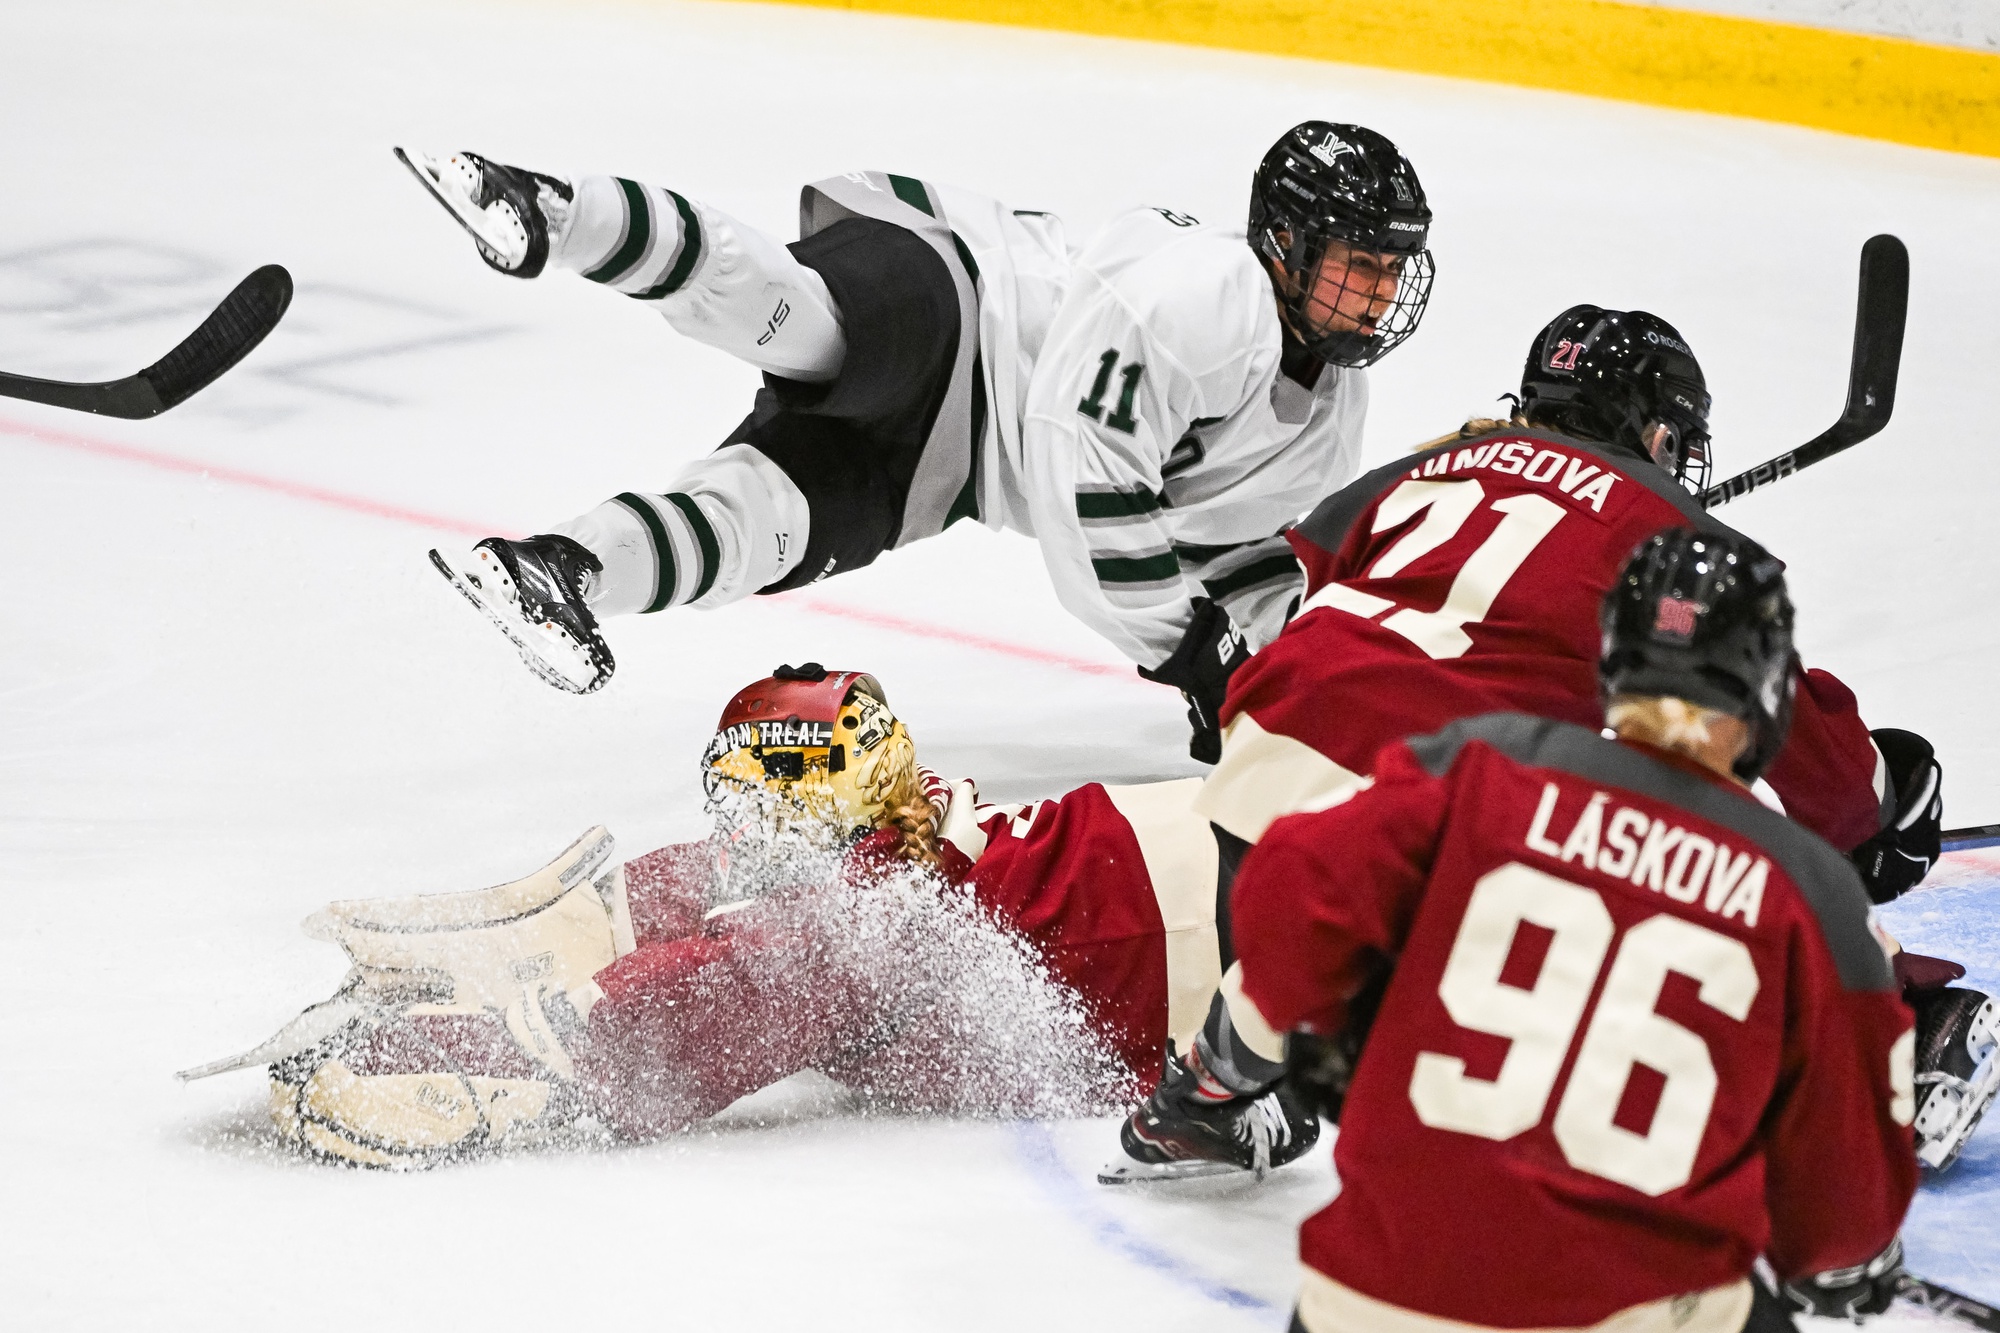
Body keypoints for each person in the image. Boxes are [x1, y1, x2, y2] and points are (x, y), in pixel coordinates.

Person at [1105, 304, 1975, 1180]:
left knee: (1327, 968)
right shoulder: (1666, 525)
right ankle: (1895, 1041)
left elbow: (1313, 562)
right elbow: (1787, 723)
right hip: (1418, 790)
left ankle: (1212, 1095)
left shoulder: (1433, 463)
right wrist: (1878, 810)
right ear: (1657, 430)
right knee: (1684, 812)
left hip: (1258, 758)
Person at [400, 122, 1434, 760]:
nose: (1377, 294)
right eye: (1357, 265)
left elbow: (1236, 567)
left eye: (1390, 272)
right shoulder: (1199, 300)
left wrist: (1259, 683)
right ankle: (545, 209)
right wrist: (1191, 653)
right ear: (1285, 244)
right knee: (802, 320)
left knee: (767, 528)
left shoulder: (1327, 420)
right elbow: (1089, 504)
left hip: (959, 467)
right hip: (966, 291)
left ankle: (561, 573)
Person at [186, 664, 1316, 1171]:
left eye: (759, 802)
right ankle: (560, 931)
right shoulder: (901, 849)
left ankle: (553, 952)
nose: (741, 829)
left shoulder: (889, 929)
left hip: (1257, 906)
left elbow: (673, 1033)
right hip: (1244, 860)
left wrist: (457, 1046)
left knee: (791, 941)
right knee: (782, 910)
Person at [1229, 528, 1920, 1330]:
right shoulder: (1812, 889)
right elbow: (1842, 1218)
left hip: (1370, 1302)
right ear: (1765, 688)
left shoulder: (1480, 763)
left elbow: (1283, 897)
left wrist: (1335, 1019)